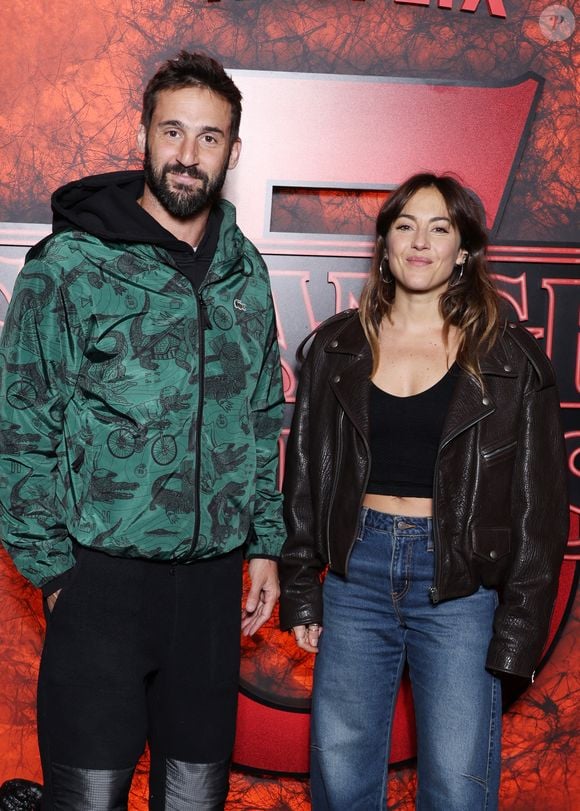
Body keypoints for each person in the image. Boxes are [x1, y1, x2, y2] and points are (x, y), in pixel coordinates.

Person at [0, 51, 286, 810]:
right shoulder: (69, 266)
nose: (188, 156)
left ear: (232, 149)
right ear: (143, 135)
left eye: (210, 138)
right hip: (100, 585)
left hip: (210, 590)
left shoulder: (244, 271)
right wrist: (56, 573)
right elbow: (22, 423)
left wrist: (262, 540)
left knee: (194, 797)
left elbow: (261, 416)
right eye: (173, 132)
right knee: (87, 798)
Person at [278, 173, 569, 810]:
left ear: (463, 250)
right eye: (405, 225)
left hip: (462, 583)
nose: (420, 241)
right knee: (343, 784)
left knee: (459, 789)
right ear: (383, 244)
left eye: (440, 228)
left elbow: (539, 513)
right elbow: (305, 476)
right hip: (356, 576)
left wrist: (517, 629)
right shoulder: (336, 347)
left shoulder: (512, 362)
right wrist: (302, 587)